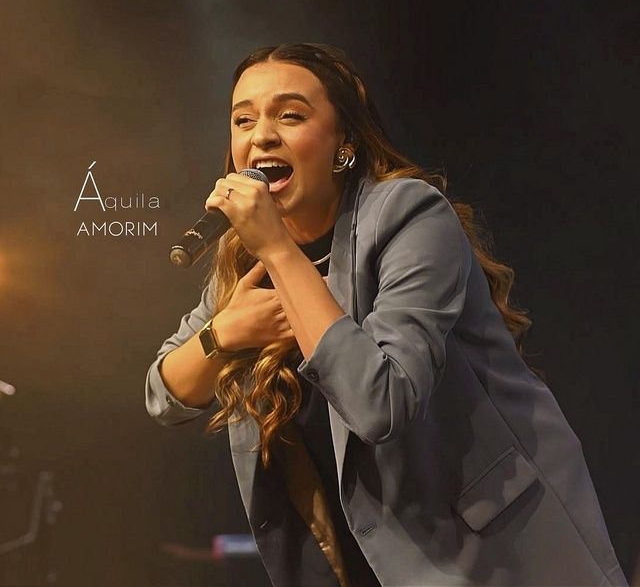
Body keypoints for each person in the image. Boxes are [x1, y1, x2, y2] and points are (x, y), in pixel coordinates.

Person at [145, 43, 627, 587]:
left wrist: (278, 251)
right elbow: (163, 395)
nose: (262, 136)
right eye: (243, 120)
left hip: (486, 557)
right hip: (357, 565)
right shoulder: (245, 260)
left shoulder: (409, 216)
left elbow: (380, 404)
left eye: (290, 115)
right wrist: (223, 334)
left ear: (343, 144)